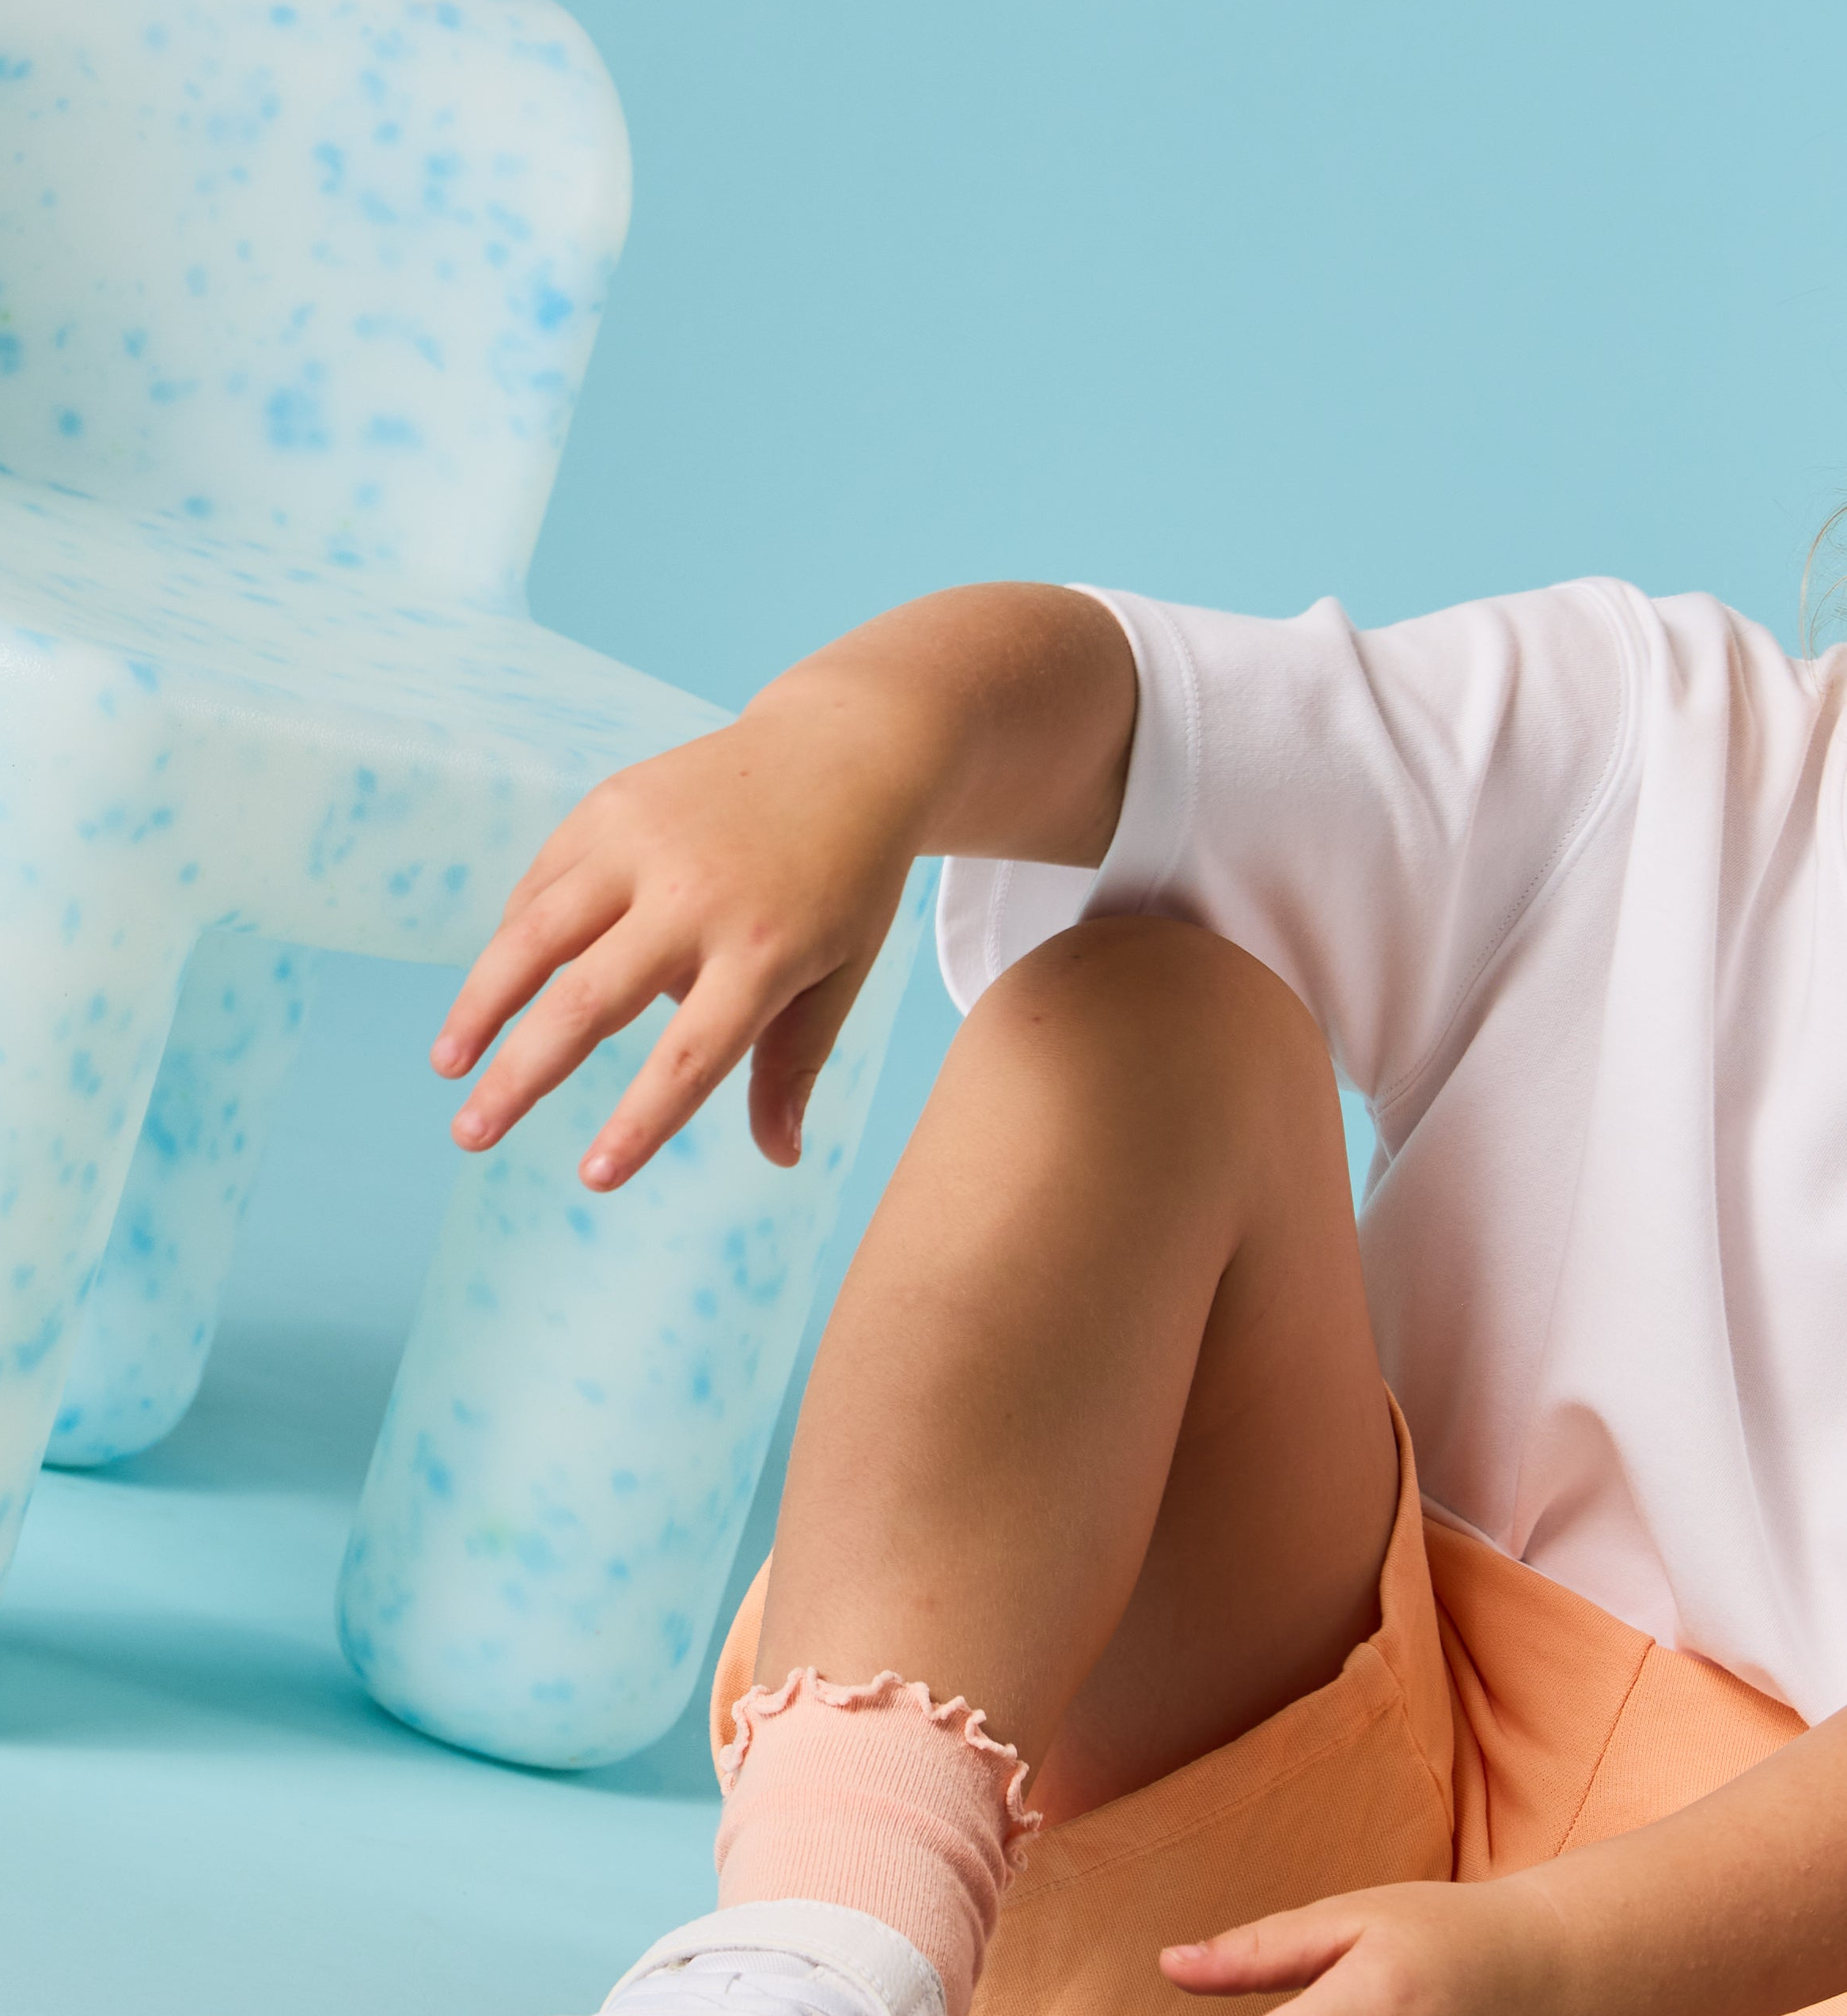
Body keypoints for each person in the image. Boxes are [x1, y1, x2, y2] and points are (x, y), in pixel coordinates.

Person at [430, 578, 1847, 2015]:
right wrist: (847, 744)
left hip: (1781, 1952)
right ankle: (820, 1939)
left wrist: (1555, 1960)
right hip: (1307, 1807)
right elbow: (1159, 720)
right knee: (1151, 1026)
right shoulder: (1676, 748)